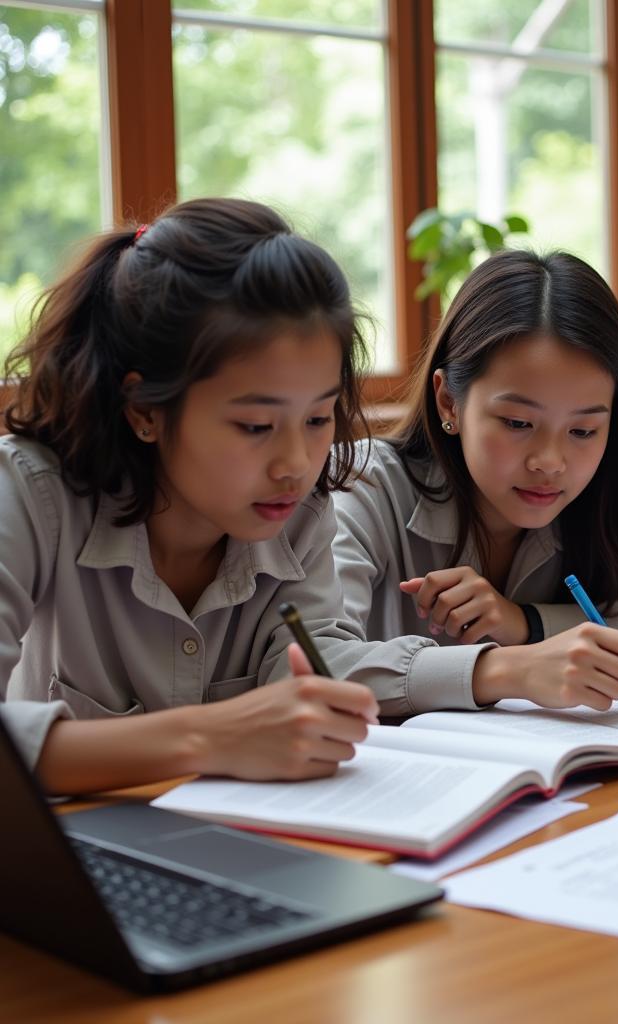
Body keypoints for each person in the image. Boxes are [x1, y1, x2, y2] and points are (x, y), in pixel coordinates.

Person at [0, 198, 379, 795]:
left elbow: (309, 679)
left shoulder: (300, 510)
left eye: (319, 418)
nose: (297, 465)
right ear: (146, 409)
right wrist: (210, 737)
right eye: (256, 426)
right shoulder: (29, 492)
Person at [331, 249, 618, 715]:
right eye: (516, 423)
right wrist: (508, 669)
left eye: (583, 430)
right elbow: (311, 660)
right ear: (449, 401)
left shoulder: (616, 471)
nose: (551, 462)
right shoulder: (363, 487)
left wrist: (527, 624)